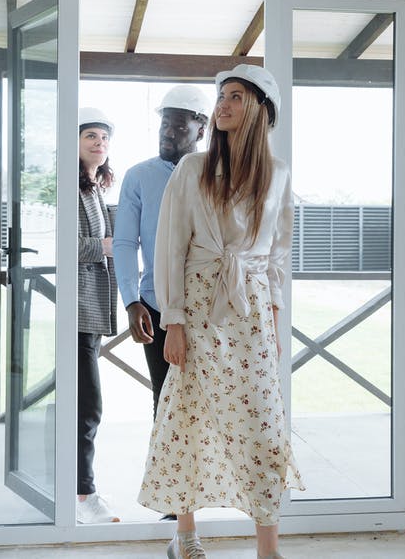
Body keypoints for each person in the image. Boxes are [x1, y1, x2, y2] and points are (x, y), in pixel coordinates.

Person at [138, 66, 303, 559]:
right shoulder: (193, 169)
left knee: (264, 424)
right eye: (221, 97)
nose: (222, 105)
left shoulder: (278, 175)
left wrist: (274, 325)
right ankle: (185, 538)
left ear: (259, 109)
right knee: (188, 419)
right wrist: (174, 321)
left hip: (251, 312)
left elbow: (277, 258)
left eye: (235, 96)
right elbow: (170, 248)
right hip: (199, 306)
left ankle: (268, 547)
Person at [112, 85, 210, 422]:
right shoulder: (138, 177)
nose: (168, 134)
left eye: (180, 126)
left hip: (210, 307)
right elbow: (125, 242)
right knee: (166, 403)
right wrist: (130, 300)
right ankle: (166, 476)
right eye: (164, 125)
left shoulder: (217, 173)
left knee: (209, 405)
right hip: (157, 306)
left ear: (202, 128)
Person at [75, 107, 121, 524]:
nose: (99, 143)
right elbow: (65, 247)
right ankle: (83, 494)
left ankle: (78, 489)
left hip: (92, 310)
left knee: (84, 403)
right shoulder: (71, 190)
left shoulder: (94, 190)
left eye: (104, 138)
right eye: (90, 135)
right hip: (77, 311)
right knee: (87, 406)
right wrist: (105, 247)